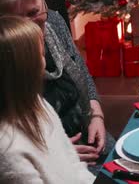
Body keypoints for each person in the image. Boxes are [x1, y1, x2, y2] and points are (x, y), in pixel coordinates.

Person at [0, 0, 114, 174]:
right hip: (48, 160)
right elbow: (11, 142)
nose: (30, 27)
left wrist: (97, 116)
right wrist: (55, 151)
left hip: (88, 134)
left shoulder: (54, 21)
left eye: (33, 12)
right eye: (16, 19)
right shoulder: (7, 56)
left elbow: (82, 73)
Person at [0, 16, 95, 183]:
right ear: (27, 69)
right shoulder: (7, 149)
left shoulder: (38, 104)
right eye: (41, 55)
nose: (45, 62)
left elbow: (72, 160)